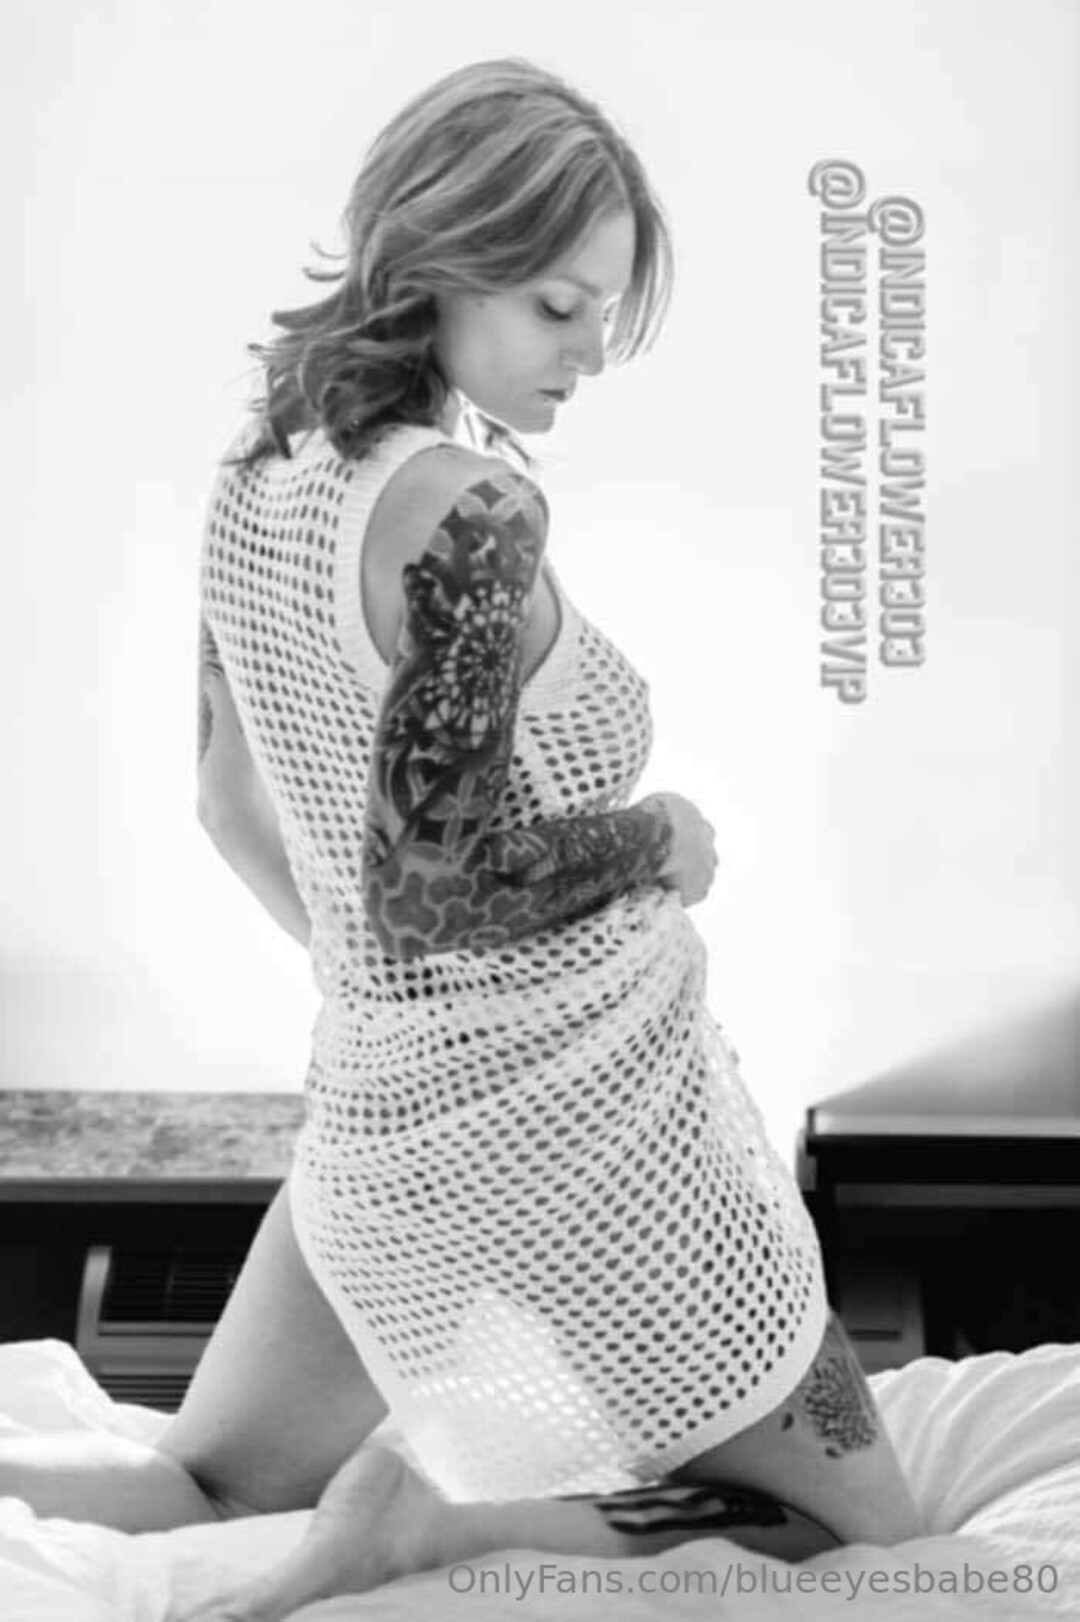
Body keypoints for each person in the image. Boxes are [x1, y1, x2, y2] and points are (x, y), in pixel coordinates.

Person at [2, 57, 923, 1620]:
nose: (591, 352)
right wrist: (657, 836)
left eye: (604, 313)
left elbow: (228, 803)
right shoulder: (465, 515)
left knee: (199, 1482)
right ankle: (428, 1508)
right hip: (600, 1142)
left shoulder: (262, 467)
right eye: (560, 307)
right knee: (865, 1542)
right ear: (440, 257)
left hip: (381, 1130)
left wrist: (407, 1013)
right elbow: (435, 888)